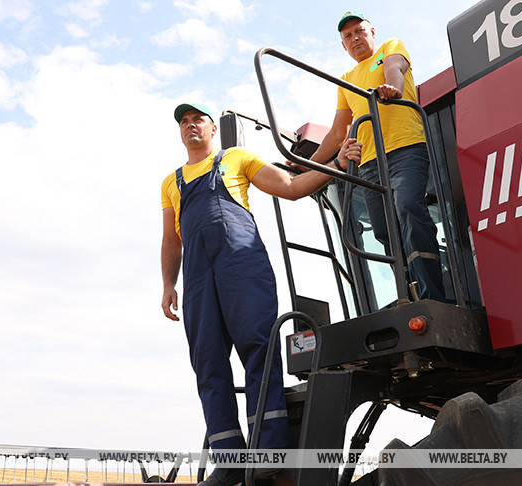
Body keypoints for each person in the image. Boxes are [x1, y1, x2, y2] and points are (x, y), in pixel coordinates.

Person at [161, 102, 359, 486]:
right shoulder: (171, 182)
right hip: (197, 276)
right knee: (207, 360)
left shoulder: (237, 159)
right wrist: (169, 283)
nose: (190, 126)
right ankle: (230, 459)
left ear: (213, 128)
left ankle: (268, 450)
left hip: (241, 262)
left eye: (198, 119)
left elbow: (290, 187)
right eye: (184, 122)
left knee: (258, 348)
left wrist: (337, 167)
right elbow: (171, 240)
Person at [306, 11, 446, 302]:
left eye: (359, 31)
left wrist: (392, 87)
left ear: (372, 32)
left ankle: (432, 295)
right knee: (383, 231)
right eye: (347, 36)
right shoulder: (346, 80)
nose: (355, 38)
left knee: (408, 205)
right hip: (369, 163)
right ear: (343, 45)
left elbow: (396, 67)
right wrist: (307, 164)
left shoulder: (390, 48)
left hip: (405, 148)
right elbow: (336, 133)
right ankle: (409, 294)